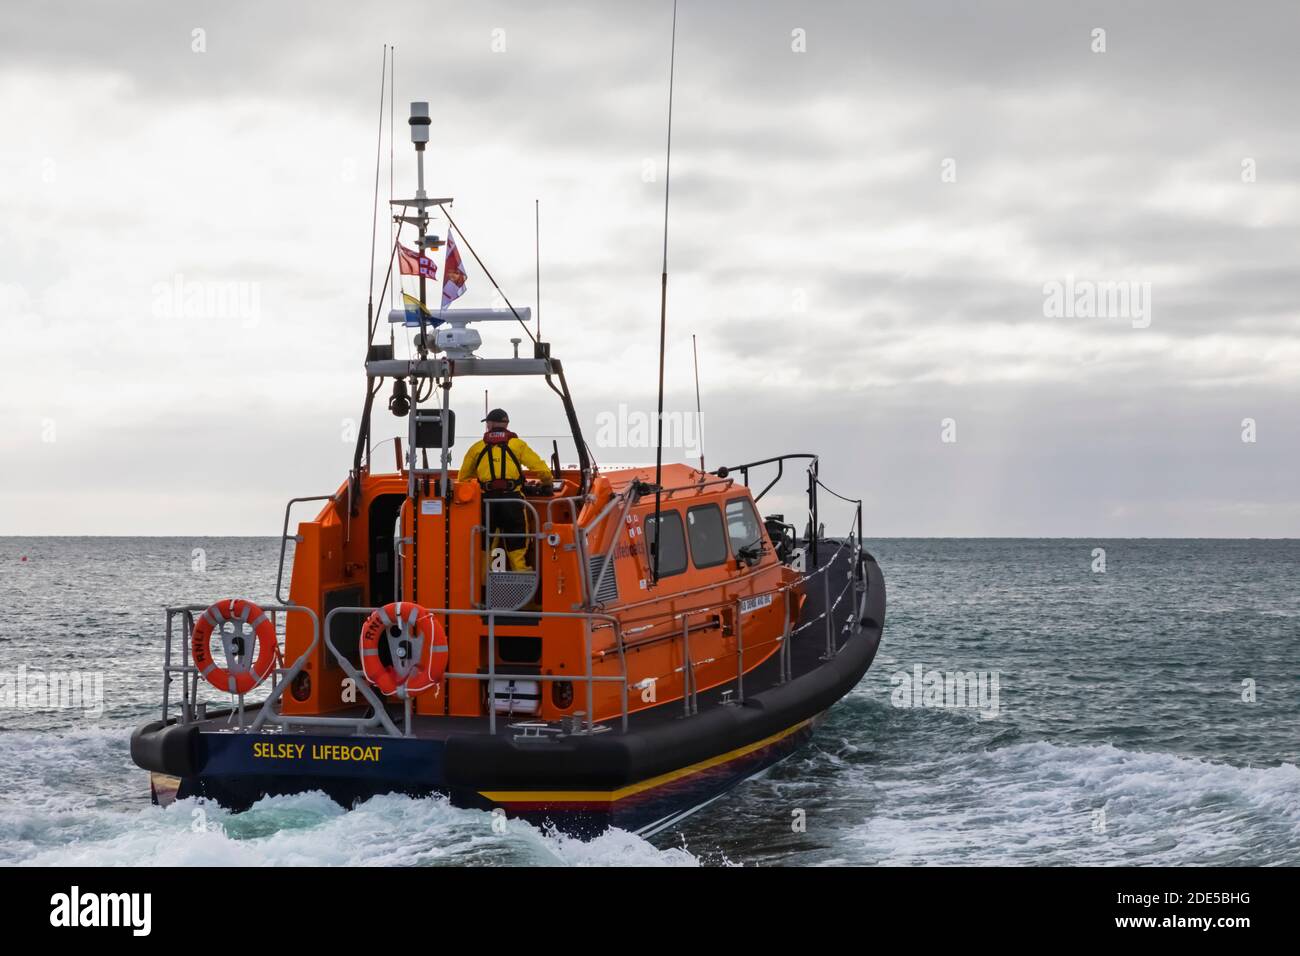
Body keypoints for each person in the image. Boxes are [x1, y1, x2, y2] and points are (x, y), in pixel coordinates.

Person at [458, 409, 553, 571]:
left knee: (485, 548)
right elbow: (542, 470)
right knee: (517, 547)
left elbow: (462, 478)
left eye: (487, 422)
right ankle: (523, 591)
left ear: (491, 424)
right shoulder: (518, 445)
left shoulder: (477, 448)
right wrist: (546, 483)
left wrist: (484, 476)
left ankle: (482, 591)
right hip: (513, 501)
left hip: (487, 503)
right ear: (506, 424)